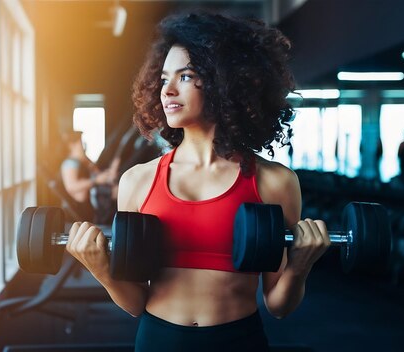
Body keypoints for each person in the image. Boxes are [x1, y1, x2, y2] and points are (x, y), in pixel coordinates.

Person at [65, 12, 330, 352]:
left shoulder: (274, 182)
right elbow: (134, 302)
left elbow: (278, 305)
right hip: (158, 341)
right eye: (163, 79)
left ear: (225, 83)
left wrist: (300, 265)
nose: (168, 90)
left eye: (186, 76)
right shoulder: (138, 181)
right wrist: (101, 269)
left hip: (238, 341)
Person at [60, 131, 117, 204]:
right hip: (85, 203)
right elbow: (71, 187)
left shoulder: (84, 160)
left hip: (97, 194)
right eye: (80, 142)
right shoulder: (70, 163)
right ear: (72, 146)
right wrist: (95, 181)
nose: (83, 146)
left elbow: (98, 174)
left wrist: (109, 174)